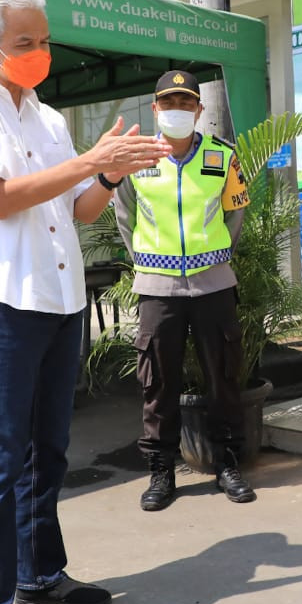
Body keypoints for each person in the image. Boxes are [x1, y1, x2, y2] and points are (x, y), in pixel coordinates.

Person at [0, 0, 170, 604]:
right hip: (4, 300)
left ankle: (38, 572)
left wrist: (109, 173)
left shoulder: (49, 117)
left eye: (45, 40)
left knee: (49, 451)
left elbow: (77, 208)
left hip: (61, 300)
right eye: (24, 43)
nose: (38, 52)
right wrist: (90, 159)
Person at [113, 69, 257, 512]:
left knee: (224, 378)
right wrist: (151, 261)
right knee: (158, 382)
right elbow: (124, 216)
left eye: (186, 103)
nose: (177, 110)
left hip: (213, 283)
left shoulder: (222, 156)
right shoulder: (137, 160)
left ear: (199, 110)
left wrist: (212, 257)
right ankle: (161, 472)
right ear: (156, 109)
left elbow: (235, 215)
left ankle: (228, 463)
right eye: (168, 103)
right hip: (157, 288)